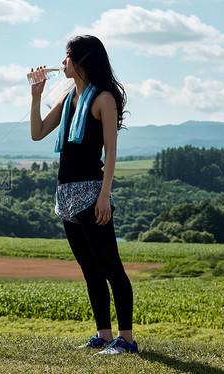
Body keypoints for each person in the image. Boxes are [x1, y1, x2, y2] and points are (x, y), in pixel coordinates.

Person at [30, 35, 138, 355]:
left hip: (92, 193)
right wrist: (36, 96)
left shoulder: (103, 98)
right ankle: (104, 335)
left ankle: (127, 339)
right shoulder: (67, 99)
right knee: (89, 269)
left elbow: (111, 152)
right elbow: (37, 133)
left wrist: (105, 195)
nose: (62, 62)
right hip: (66, 194)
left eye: (66, 57)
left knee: (110, 266)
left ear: (82, 61)